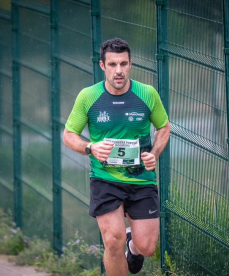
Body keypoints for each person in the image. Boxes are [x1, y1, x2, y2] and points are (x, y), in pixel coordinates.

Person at [63, 37, 170, 275]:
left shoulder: (147, 93)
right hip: (104, 179)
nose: (118, 70)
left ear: (131, 63)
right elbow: (69, 135)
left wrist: (154, 154)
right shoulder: (88, 96)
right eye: (112, 65)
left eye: (123, 64)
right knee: (112, 242)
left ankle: (133, 246)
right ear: (102, 66)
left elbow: (164, 127)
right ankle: (123, 245)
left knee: (148, 247)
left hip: (141, 180)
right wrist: (91, 147)